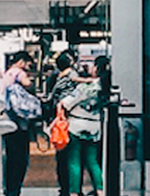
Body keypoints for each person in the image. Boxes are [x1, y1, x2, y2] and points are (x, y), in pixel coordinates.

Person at [61, 57, 110, 196]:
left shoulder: (85, 86)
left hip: (76, 125)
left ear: (97, 68)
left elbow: (66, 102)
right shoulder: (105, 86)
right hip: (94, 127)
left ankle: (74, 192)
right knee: (92, 161)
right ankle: (101, 190)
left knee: (74, 161)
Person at [0, 52, 37, 196]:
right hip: (21, 122)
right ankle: (15, 189)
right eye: (28, 64)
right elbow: (29, 86)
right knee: (20, 158)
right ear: (21, 62)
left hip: (8, 120)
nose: (29, 67)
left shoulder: (6, 74)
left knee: (10, 157)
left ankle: (9, 188)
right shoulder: (19, 73)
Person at [49, 52, 85, 196]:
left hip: (60, 123)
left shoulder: (56, 79)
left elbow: (52, 100)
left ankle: (64, 188)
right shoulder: (75, 79)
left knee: (62, 157)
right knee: (76, 157)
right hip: (75, 121)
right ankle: (75, 189)